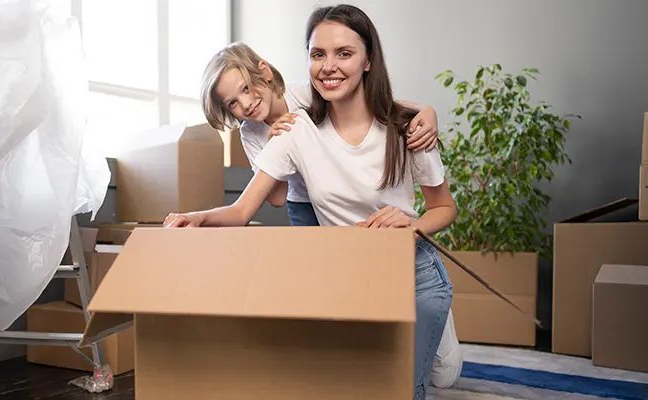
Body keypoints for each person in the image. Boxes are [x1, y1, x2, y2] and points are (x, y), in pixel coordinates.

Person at [171, 5, 457, 398]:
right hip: (327, 232)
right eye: (317, 54)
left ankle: (438, 332)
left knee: (417, 385)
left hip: (412, 270)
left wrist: (409, 223)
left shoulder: (403, 128)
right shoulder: (286, 132)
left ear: (368, 59)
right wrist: (195, 218)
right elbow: (247, 207)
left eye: (344, 53)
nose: (329, 66)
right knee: (347, 379)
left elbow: (444, 206)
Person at [200, 42, 439, 227]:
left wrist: (426, 111)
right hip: (302, 204)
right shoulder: (251, 133)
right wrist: (275, 147)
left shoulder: (304, 96)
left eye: (246, 88)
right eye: (233, 103)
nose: (246, 104)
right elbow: (277, 198)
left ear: (264, 72)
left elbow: (374, 106)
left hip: (339, 194)